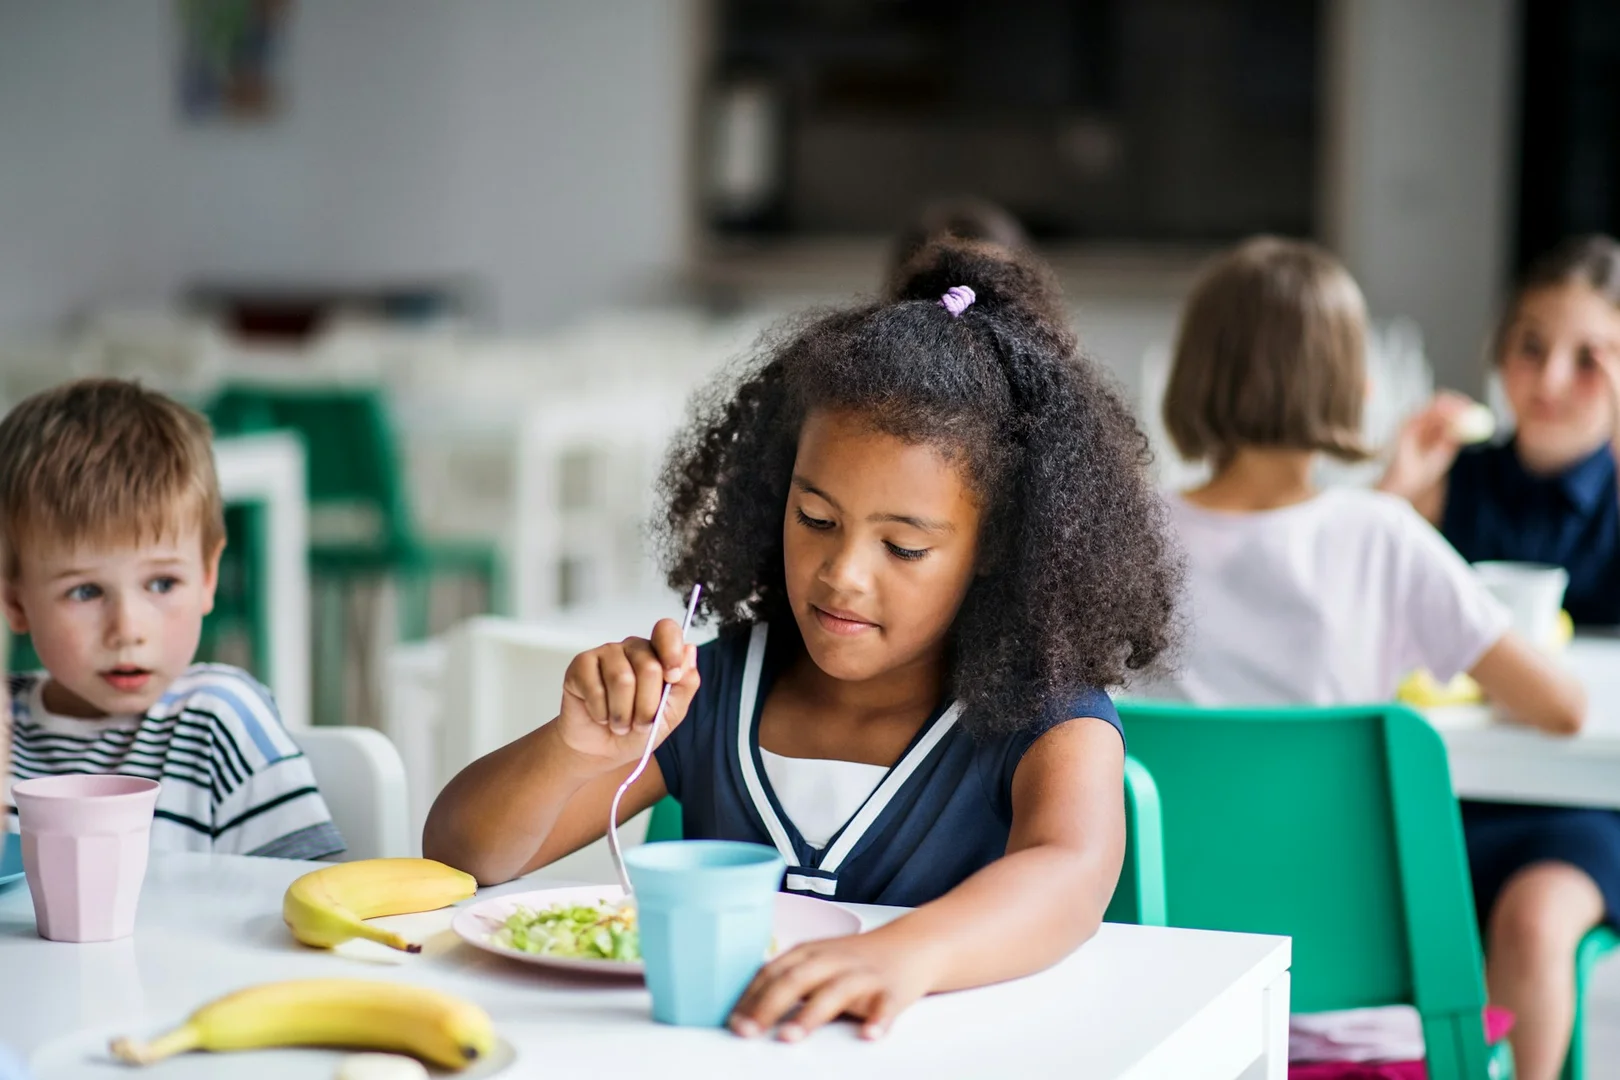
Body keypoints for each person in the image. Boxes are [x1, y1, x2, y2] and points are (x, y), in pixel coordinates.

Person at [424, 239, 1179, 1040]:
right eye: (815, 519)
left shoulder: (1047, 715)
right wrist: (573, 751)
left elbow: (1071, 873)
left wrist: (901, 956)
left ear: (995, 546)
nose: (843, 574)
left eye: (904, 547)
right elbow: (464, 857)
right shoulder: (709, 694)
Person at [1150, 236, 1588, 1080]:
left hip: (1179, 998)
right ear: (1355, 387)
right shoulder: (1383, 537)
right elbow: (1560, 706)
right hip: (1359, 1020)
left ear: (1192, 375)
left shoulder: (1127, 535)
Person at [1377, 234, 1620, 1078]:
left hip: (1583, 807)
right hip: (1448, 790)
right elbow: (1351, 591)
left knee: (1535, 920)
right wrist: (1398, 485)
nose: (1550, 380)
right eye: (1531, 347)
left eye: (1589, 358)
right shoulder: (1458, 477)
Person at [0, 379, 343, 859]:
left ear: (206, 577)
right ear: (14, 603)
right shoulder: (6, 731)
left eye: (161, 584)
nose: (128, 630)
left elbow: (308, 901)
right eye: (85, 591)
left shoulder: (219, 723)